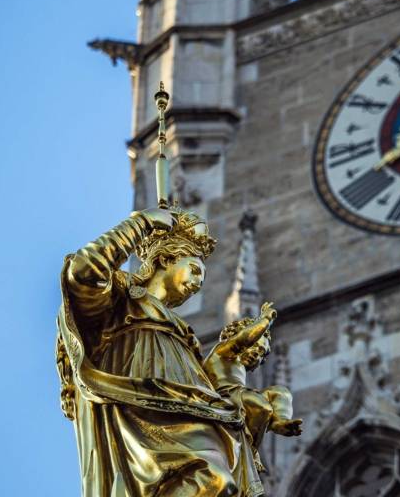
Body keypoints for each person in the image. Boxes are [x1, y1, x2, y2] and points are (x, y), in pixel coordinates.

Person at [55, 207, 281, 497]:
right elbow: (84, 273)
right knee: (211, 478)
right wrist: (140, 224)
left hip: (189, 414)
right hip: (136, 417)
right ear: (165, 259)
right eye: (195, 269)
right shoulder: (119, 301)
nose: (198, 284)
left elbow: (220, 384)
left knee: (219, 482)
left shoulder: (185, 337)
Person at [202, 301, 303, 472]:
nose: (257, 353)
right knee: (260, 405)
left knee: (281, 392)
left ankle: (280, 421)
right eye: (255, 346)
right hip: (223, 397)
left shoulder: (242, 374)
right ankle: (250, 452)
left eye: (262, 354)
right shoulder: (223, 352)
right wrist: (264, 320)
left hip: (240, 396)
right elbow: (242, 340)